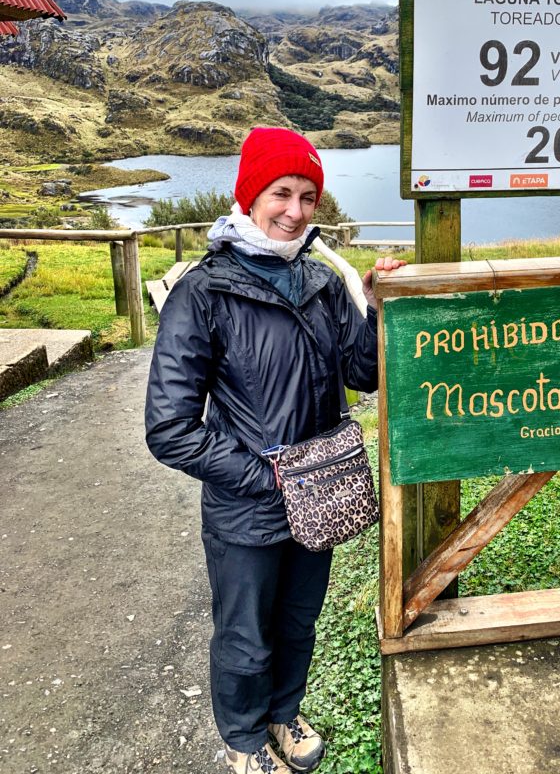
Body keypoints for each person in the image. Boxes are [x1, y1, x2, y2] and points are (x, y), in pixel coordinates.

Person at [145, 127, 405, 774]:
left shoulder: (319, 282)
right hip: (249, 510)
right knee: (245, 638)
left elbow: (362, 374)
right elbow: (169, 427)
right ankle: (242, 739)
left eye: (309, 196)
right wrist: (272, 477)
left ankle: (283, 715)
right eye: (281, 193)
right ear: (249, 195)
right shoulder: (203, 293)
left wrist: (371, 307)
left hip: (316, 501)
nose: (295, 211)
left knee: (296, 624)